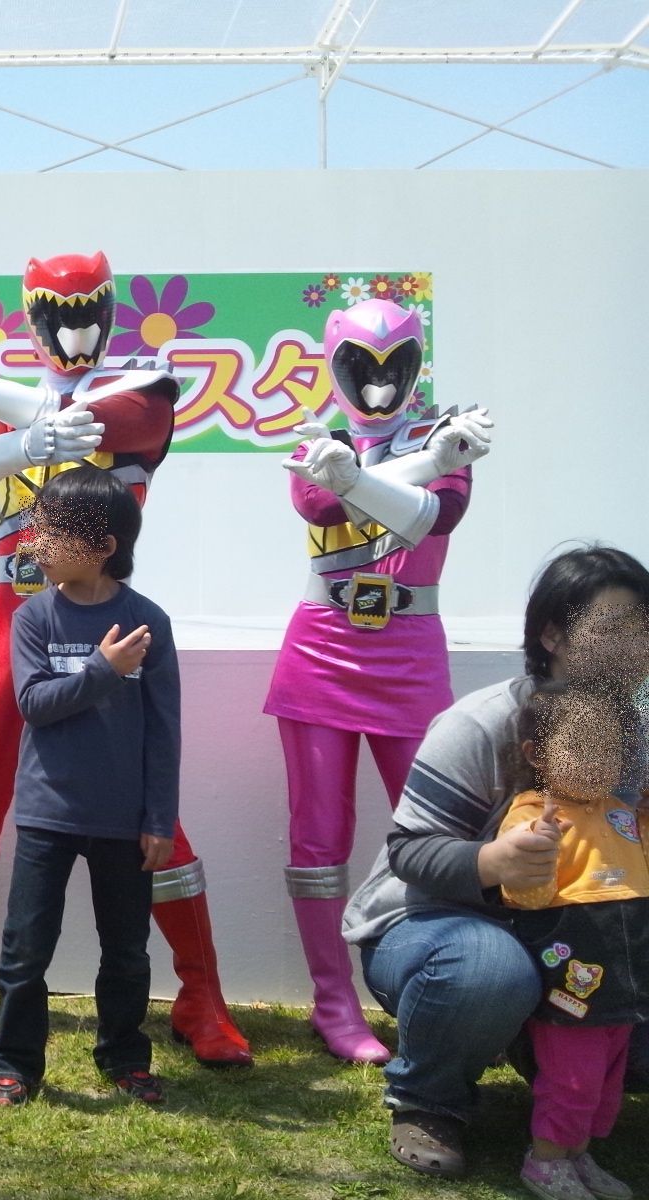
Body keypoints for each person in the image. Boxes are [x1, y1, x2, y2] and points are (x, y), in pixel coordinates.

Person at [0, 253, 250, 1070]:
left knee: (148, 806)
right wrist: (24, 436)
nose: (74, 330)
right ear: (32, 314)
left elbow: (101, 422)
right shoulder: (25, 403)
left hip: (104, 615)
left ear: (110, 309)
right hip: (13, 612)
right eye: (57, 313)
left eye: (88, 311)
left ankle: (202, 991)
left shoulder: (143, 389)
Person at [344, 545, 649, 1179]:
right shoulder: (485, 723)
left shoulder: (638, 736)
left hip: (575, 941)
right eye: (614, 628)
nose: (634, 647)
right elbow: (409, 851)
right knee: (490, 970)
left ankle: (563, 1072)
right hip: (436, 928)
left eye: (643, 630)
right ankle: (429, 1100)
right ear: (553, 635)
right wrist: (493, 861)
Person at [267, 298, 494, 1064]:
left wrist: (427, 459)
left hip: (411, 656)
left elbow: (433, 519)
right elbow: (321, 500)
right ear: (334, 366)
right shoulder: (320, 444)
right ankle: (332, 1001)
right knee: (317, 835)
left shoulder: (452, 437)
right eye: (359, 364)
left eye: (395, 364)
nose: (377, 382)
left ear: (416, 363)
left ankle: (437, 986)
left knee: (435, 830)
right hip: (321, 651)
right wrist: (430, 457)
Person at [0, 466, 179, 1106]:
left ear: (102, 547)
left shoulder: (147, 621)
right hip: (48, 813)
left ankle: (124, 1056)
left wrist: (159, 819)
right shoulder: (34, 617)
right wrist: (102, 669)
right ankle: (14, 1062)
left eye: (51, 531)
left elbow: (164, 731)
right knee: (25, 950)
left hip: (124, 820)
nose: (34, 543)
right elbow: (34, 704)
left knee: (126, 950)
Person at [496, 680, 646, 1200]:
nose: (597, 761)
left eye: (609, 749)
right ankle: (544, 1162)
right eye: (581, 747)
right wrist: (535, 850)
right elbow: (524, 897)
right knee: (572, 1079)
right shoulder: (533, 813)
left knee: (606, 1080)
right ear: (536, 754)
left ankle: (577, 1156)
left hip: (623, 980)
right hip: (572, 980)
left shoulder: (621, 811)